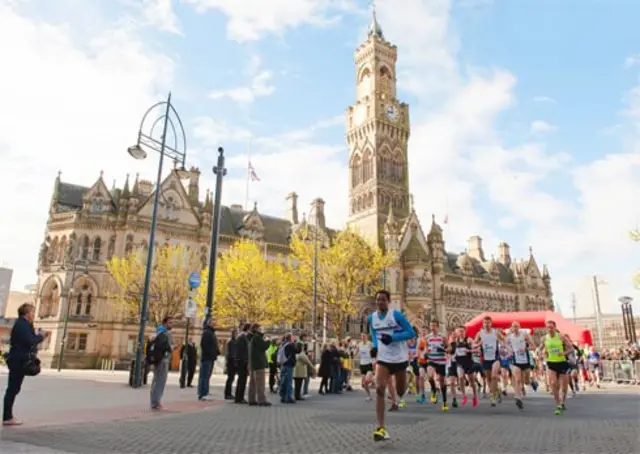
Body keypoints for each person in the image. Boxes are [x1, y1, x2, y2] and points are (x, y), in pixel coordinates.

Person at [369, 289, 415, 442]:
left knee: (400, 391)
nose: (380, 302)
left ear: (388, 301)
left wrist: (393, 337)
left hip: (400, 359)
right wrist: (375, 346)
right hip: (383, 358)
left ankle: (407, 384)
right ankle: (381, 428)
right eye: (378, 299)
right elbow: (374, 333)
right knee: (380, 388)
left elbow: (410, 333)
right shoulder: (372, 318)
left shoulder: (396, 316)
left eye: (383, 299)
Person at [3, 303, 45, 426]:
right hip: (19, 360)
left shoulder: (22, 324)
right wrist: (40, 336)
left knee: (14, 388)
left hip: (17, 358)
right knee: (13, 388)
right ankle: (7, 417)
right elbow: (30, 341)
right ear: (27, 313)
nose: (34, 314)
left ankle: (8, 416)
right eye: (32, 312)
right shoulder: (23, 324)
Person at [544, 320, 571, 415]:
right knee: (553, 383)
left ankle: (563, 402)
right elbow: (545, 348)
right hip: (551, 363)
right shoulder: (545, 338)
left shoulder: (561, 336)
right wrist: (544, 352)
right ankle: (558, 404)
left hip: (562, 362)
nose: (550, 329)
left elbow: (571, 348)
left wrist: (563, 353)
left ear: (555, 328)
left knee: (563, 386)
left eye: (551, 327)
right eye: (548, 327)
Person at [150, 316, 175, 410]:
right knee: (160, 382)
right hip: (163, 359)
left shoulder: (157, 331)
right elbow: (168, 347)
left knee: (155, 381)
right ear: (165, 323)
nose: (171, 325)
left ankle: (153, 401)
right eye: (170, 323)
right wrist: (173, 348)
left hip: (156, 359)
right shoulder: (166, 333)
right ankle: (156, 403)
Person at [248, 323, 271, 406]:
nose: (261, 330)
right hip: (259, 363)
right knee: (260, 383)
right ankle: (261, 400)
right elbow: (264, 346)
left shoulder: (252, 338)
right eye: (260, 328)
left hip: (253, 364)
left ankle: (252, 399)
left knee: (253, 383)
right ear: (256, 329)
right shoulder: (257, 338)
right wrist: (268, 340)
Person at [198, 318, 219, 401]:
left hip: (210, 357)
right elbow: (204, 345)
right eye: (213, 323)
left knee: (207, 375)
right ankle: (202, 393)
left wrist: (216, 352)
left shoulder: (211, 333)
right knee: (204, 376)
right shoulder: (207, 333)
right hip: (207, 357)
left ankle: (205, 391)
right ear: (209, 323)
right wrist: (211, 353)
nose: (215, 324)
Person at [234, 323, 251, 404]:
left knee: (242, 380)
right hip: (242, 361)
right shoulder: (242, 337)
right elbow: (241, 350)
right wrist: (244, 360)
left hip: (242, 360)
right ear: (248, 329)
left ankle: (240, 397)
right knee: (242, 379)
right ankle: (239, 397)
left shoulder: (243, 337)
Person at [278, 333, 296, 403]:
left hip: (283, 364)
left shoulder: (282, 344)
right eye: (292, 337)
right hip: (289, 364)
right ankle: (288, 397)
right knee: (289, 381)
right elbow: (297, 350)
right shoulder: (290, 345)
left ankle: (282, 396)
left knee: (283, 381)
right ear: (290, 338)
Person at [224, 328, 237, 400]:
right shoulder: (231, 342)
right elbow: (231, 353)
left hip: (231, 361)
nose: (236, 334)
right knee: (230, 378)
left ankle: (228, 393)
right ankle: (227, 394)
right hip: (231, 362)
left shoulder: (233, 341)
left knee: (231, 378)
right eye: (235, 333)